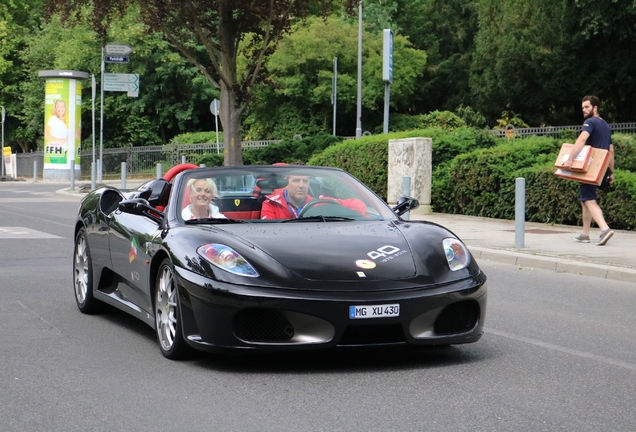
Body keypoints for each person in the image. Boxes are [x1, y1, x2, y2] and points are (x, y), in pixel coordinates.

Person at [561, 95, 615, 246]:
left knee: (588, 199)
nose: (584, 110)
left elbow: (582, 139)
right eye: (583, 108)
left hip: (589, 166)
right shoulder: (605, 124)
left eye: (587, 107)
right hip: (602, 166)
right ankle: (585, 234)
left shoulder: (589, 122)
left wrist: (570, 158)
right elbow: (611, 149)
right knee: (585, 198)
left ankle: (605, 229)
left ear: (595, 108)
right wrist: (611, 171)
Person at [260, 173, 366, 219]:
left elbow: (358, 205)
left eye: (305, 181)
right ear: (286, 183)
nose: (301, 185)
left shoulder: (319, 202)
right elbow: (269, 234)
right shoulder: (270, 204)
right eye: (296, 180)